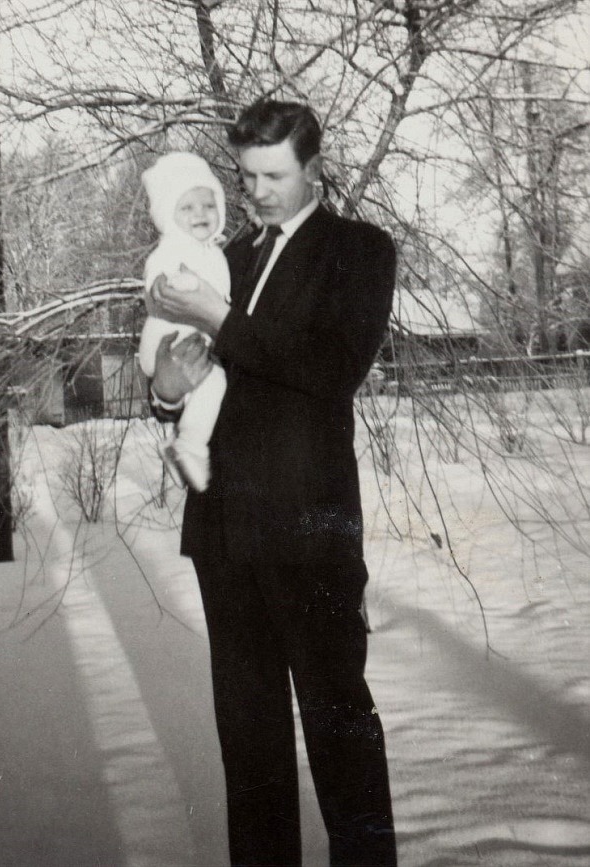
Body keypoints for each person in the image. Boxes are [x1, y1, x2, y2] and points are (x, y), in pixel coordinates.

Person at [148, 100, 397, 866]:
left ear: (314, 170)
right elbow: (184, 381)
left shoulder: (358, 249)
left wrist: (217, 317)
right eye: (247, 175)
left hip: (310, 535)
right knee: (249, 742)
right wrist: (164, 383)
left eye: (273, 175)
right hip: (227, 535)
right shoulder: (227, 259)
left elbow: (329, 367)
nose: (255, 191)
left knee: (338, 727)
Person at [139, 151, 231, 491]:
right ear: (168, 216)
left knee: (213, 384)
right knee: (215, 381)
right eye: (187, 208)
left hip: (191, 339)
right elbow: (158, 284)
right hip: (172, 335)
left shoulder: (212, 250)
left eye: (209, 205)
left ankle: (189, 447)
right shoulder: (174, 249)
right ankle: (189, 444)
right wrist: (182, 284)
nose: (201, 214)